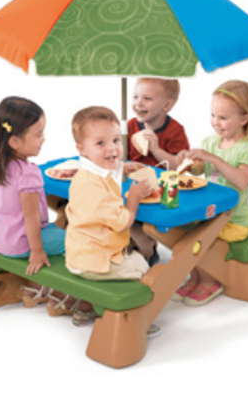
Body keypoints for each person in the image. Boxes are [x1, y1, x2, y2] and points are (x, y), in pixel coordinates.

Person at [64, 106, 161, 337]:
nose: (112, 149)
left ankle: (85, 308)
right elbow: (124, 222)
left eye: (116, 140)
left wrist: (122, 167)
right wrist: (134, 197)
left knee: (133, 255)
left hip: (79, 253)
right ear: (82, 149)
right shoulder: (96, 189)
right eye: (100, 143)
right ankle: (138, 319)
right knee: (144, 266)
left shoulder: (86, 174)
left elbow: (106, 169)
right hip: (96, 261)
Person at [174, 80, 248, 306]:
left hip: (234, 220)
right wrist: (189, 162)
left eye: (223, 117)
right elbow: (200, 171)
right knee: (185, 235)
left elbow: (242, 181)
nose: (216, 122)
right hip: (211, 213)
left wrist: (212, 158)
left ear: (244, 118)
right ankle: (195, 277)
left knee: (202, 240)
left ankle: (210, 281)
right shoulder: (211, 143)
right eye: (213, 115)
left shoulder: (246, 148)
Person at [0, 97, 66, 307]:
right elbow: (32, 217)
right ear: (14, 141)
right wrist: (37, 252)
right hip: (21, 244)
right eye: (38, 134)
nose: (43, 139)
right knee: (74, 238)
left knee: (56, 228)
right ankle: (56, 288)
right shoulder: (29, 173)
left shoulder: (3, 164)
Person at [128, 77, 190, 264]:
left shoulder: (175, 131)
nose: (139, 103)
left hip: (163, 191)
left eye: (147, 98)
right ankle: (131, 245)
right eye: (135, 97)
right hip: (131, 187)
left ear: (167, 105)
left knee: (135, 221)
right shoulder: (129, 126)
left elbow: (179, 167)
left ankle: (147, 250)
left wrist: (156, 149)